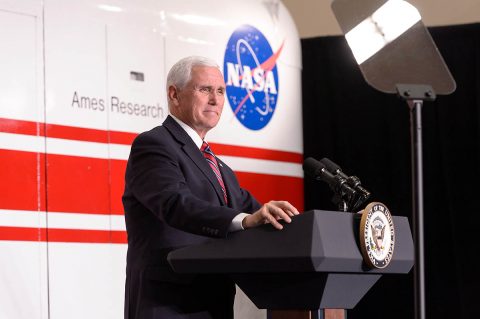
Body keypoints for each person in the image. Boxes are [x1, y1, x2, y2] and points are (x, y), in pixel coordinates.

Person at [122, 55, 299, 319]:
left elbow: (255, 212)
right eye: (205, 89)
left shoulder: (221, 169)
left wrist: (298, 227)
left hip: (213, 303)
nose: (216, 100)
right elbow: (175, 204)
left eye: (221, 91)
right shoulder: (153, 145)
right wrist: (247, 221)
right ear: (174, 94)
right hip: (167, 304)